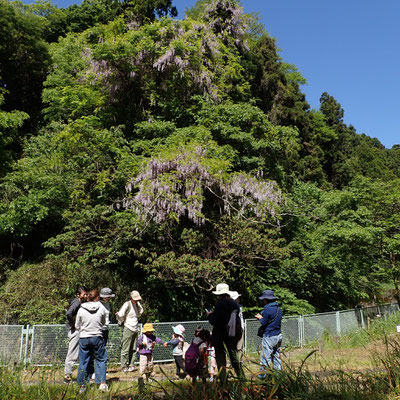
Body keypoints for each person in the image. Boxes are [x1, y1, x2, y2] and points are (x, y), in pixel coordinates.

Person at [207, 283, 244, 380]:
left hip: (220, 333)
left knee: (220, 356)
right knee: (233, 354)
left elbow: (214, 320)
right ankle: (240, 375)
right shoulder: (234, 304)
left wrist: (210, 315)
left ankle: (222, 377)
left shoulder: (220, 304)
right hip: (232, 333)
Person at [75, 288, 109, 393]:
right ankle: (102, 383)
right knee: (101, 359)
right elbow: (104, 323)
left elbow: (77, 325)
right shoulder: (102, 308)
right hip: (97, 337)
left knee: (83, 361)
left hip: (84, 338)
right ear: (97, 297)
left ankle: (82, 386)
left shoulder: (81, 309)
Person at [255, 289, 283, 377]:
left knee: (265, 357)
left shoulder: (267, 310)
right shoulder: (279, 309)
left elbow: (264, 322)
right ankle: (278, 375)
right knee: (276, 356)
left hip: (269, 336)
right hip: (278, 335)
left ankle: (262, 376)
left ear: (266, 299)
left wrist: (260, 317)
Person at [64, 286, 87, 383]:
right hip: (75, 330)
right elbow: (69, 313)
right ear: (78, 295)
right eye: (84, 294)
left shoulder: (79, 302)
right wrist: (73, 324)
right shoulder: (77, 303)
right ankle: (67, 376)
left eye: (86, 294)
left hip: (77, 330)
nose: (85, 296)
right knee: (72, 352)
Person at [116, 290, 143, 373]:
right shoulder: (127, 304)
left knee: (134, 348)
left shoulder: (137, 304)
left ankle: (131, 364)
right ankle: (124, 366)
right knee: (125, 348)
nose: (136, 300)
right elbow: (120, 314)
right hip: (128, 327)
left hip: (135, 328)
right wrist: (121, 320)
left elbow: (141, 311)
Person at [229, 291, 244, 362]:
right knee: (233, 347)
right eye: (238, 298)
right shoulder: (231, 308)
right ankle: (234, 362)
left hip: (240, 328)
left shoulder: (240, 307)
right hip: (233, 330)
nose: (239, 299)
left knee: (239, 347)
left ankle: (239, 361)